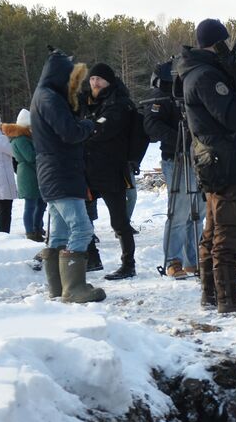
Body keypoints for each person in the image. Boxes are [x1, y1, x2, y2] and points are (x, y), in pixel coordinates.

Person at [177, 17, 236, 314]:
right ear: (216, 43)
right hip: (225, 162)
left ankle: (211, 295)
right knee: (229, 231)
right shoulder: (205, 76)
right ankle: (228, 299)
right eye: (224, 42)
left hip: (217, 160)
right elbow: (230, 117)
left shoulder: (200, 72)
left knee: (214, 230)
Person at [30, 50, 104, 303]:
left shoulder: (43, 96)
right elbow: (69, 133)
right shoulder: (49, 98)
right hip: (61, 172)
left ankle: (59, 287)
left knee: (60, 232)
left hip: (53, 172)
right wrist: (88, 126)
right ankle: (74, 288)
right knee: (82, 229)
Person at [79, 62, 146, 280]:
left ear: (109, 81)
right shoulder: (89, 102)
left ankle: (128, 264)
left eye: (98, 79)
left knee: (119, 221)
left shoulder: (120, 103)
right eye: (91, 79)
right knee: (82, 217)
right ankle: (92, 257)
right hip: (88, 168)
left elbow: (102, 130)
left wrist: (83, 129)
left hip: (111, 169)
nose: (94, 83)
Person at [142, 60, 203, 279]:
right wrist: (180, 138)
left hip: (198, 158)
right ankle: (173, 260)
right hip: (176, 157)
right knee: (179, 212)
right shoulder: (160, 96)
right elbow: (151, 125)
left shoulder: (191, 91)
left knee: (198, 212)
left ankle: (194, 259)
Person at [5, 108, 42, 241]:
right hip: (28, 175)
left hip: (33, 173)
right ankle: (30, 232)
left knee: (40, 203)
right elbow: (30, 156)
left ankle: (37, 227)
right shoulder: (21, 139)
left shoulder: (26, 138)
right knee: (31, 204)